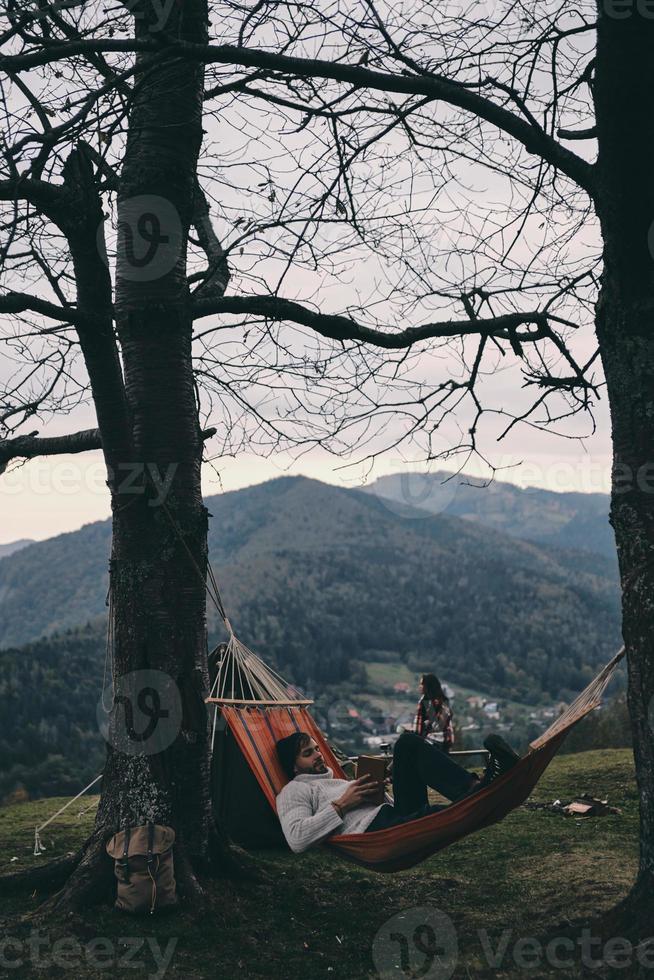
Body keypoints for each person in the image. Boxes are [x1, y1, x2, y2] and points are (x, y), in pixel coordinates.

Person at [275, 730, 519, 853]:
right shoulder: (294, 790)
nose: (318, 755)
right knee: (436, 815)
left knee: (407, 744)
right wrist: (343, 805)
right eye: (308, 753)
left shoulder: (335, 781)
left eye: (317, 749)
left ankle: (474, 788)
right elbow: (297, 839)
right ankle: (488, 787)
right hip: (376, 833)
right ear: (294, 767)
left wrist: (381, 793)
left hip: (393, 815)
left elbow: (371, 806)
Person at [415, 673, 454, 752]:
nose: (420, 686)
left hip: (430, 745)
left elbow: (418, 728)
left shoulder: (424, 703)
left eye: (422, 684)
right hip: (445, 743)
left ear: (427, 686)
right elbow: (446, 725)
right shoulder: (444, 701)